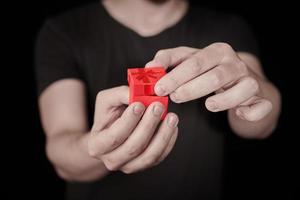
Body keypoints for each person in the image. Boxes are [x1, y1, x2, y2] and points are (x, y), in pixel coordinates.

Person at [35, 0, 281, 199]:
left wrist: (252, 94)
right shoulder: (63, 31)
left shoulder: (228, 28)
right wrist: (102, 147)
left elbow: (263, 122)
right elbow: (61, 149)